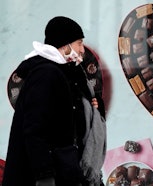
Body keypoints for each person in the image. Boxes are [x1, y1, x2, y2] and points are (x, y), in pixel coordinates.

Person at [3, 16, 106, 186]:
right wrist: (45, 176)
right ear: (65, 45)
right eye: (78, 43)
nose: (82, 50)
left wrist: (96, 107)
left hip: (65, 170)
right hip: (46, 177)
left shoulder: (66, 72)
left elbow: (73, 112)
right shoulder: (45, 74)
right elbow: (34, 129)